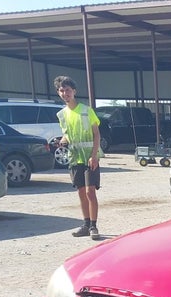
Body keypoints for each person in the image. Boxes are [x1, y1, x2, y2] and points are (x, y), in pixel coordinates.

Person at [54, 75, 102, 239]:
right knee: (81, 192)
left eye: (68, 90)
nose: (65, 93)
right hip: (74, 158)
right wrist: (62, 141)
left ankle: (94, 227)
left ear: (74, 91)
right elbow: (66, 135)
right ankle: (86, 224)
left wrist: (94, 155)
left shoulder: (86, 110)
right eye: (62, 90)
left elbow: (96, 134)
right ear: (58, 92)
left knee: (90, 192)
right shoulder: (62, 115)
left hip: (89, 157)